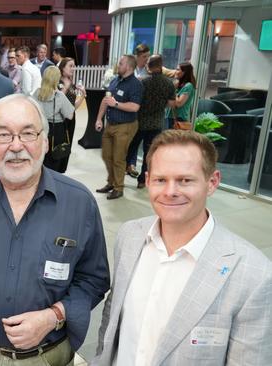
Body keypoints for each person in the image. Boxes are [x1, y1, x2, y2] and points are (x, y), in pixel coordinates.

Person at [0, 93, 110, 366]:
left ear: (45, 142)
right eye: (3, 135)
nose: (16, 146)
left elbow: (94, 280)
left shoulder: (79, 203)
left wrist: (54, 315)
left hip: (48, 358)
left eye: (28, 134)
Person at [94, 130, 272, 366]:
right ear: (147, 180)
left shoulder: (254, 274)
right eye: (160, 180)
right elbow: (112, 319)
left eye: (185, 180)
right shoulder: (130, 236)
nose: (170, 191)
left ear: (212, 182)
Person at [94, 54, 143, 200]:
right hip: (111, 124)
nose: (118, 65)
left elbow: (134, 107)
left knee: (118, 158)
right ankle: (111, 182)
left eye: (121, 63)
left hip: (126, 126)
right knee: (106, 155)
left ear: (128, 66)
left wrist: (116, 104)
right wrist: (99, 119)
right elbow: (106, 100)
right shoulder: (116, 80)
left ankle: (118, 188)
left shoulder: (135, 84)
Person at [126, 55, 176, 189]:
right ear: (161, 66)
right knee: (149, 153)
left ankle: (122, 172)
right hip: (157, 123)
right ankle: (142, 180)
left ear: (149, 66)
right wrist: (161, 103)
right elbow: (172, 104)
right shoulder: (168, 83)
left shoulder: (143, 82)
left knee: (131, 147)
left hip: (140, 121)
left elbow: (136, 100)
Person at [32, 66, 75, 173]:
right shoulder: (59, 96)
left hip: (39, 129)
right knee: (55, 160)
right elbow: (70, 115)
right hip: (56, 131)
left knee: (40, 160)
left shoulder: (36, 93)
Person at [58, 57, 87, 172]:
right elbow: (58, 101)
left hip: (71, 119)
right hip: (60, 119)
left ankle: (62, 170)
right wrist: (66, 87)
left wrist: (83, 95)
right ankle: (56, 169)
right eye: (70, 66)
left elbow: (73, 106)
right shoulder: (57, 83)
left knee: (68, 146)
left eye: (74, 66)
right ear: (62, 68)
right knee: (59, 145)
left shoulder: (73, 84)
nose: (73, 68)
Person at [166, 61, 196, 129]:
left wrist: (173, 89)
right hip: (170, 116)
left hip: (179, 119)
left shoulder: (188, 86)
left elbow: (179, 103)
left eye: (178, 69)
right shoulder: (179, 85)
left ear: (184, 72)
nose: (175, 71)